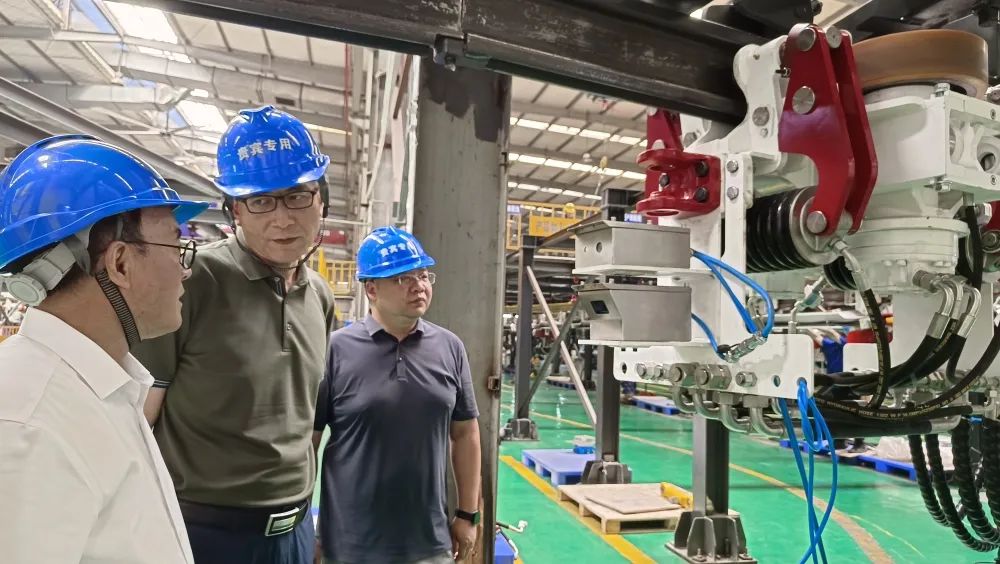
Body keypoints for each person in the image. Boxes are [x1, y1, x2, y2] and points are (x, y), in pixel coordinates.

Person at [133, 106, 337, 564]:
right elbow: (140, 416)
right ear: (235, 211)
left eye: (297, 196)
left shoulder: (320, 297)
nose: (282, 219)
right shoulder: (192, 282)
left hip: (295, 529)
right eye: (261, 202)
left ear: (321, 200)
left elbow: (304, 419)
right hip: (204, 533)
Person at [0, 134, 209, 563]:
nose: (185, 270)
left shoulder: (102, 387)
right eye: (177, 245)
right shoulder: (28, 424)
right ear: (120, 263)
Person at [314, 226, 482, 564]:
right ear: (372, 289)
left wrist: (467, 515)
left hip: (430, 542)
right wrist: (304, 524)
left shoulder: (450, 347)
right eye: (403, 278)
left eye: (423, 275)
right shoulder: (335, 350)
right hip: (349, 544)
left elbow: (466, 434)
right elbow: (310, 441)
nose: (419, 286)